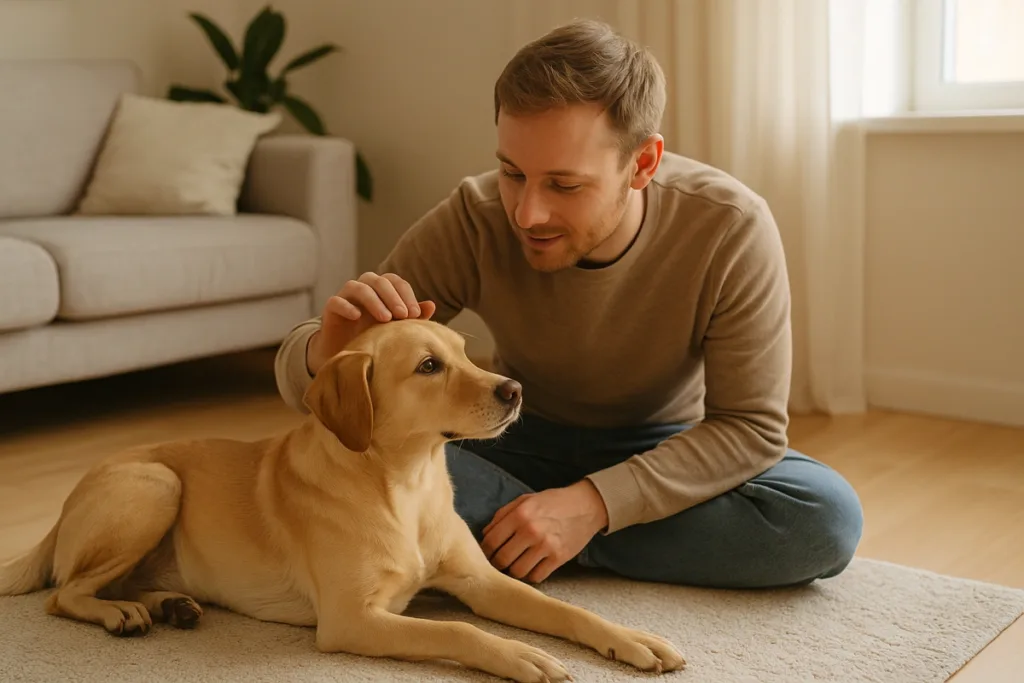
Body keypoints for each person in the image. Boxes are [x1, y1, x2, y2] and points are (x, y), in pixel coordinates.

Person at [274, 18, 863, 590]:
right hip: (506, 435)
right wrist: (327, 348)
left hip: (661, 447)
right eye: (511, 172)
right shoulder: (472, 219)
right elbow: (331, 408)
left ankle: (520, 541)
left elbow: (749, 429)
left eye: (564, 185)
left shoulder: (729, 227)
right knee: (360, 467)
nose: (526, 213)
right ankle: (530, 537)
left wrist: (592, 507)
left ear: (643, 164)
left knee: (823, 520)